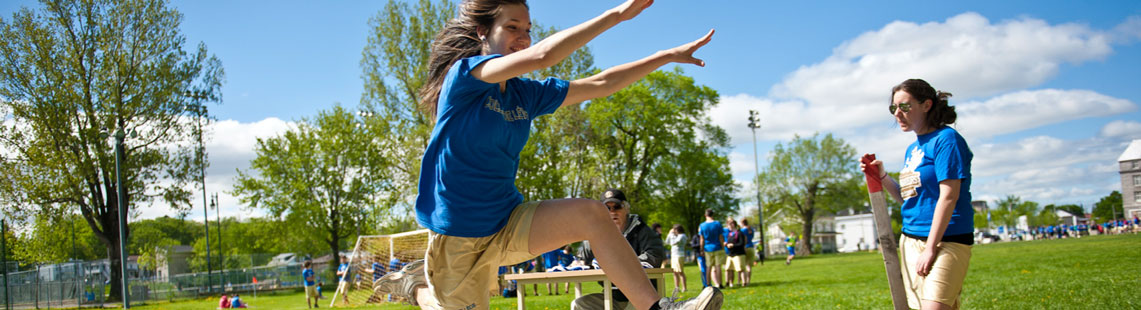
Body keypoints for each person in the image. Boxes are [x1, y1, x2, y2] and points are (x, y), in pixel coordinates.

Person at [371, 1, 722, 310]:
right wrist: (617, 14)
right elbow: (543, 56)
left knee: (591, 213)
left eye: (527, 29)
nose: (523, 38)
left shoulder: (525, 95)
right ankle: (416, 286)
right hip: (458, 238)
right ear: (482, 32)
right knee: (443, 306)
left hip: (507, 221)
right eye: (512, 28)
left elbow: (600, 84)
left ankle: (658, 309)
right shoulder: (465, 77)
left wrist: (667, 57)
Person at [860, 78, 974, 310]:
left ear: (927, 104)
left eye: (905, 106)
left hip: (947, 240)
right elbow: (909, 200)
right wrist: (882, 176)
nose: (898, 113)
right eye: (894, 108)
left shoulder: (946, 140)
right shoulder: (913, 149)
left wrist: (931, 247)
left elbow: (949, 196)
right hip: (911, 240)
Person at [572, 189, 667, 310]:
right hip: (613, 297)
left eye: (617, 207)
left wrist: (619, 265)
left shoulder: (642, 230)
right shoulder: (595, 233)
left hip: (643, 296)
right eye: (607, 208)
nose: (612, 212)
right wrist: (578, 262)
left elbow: (654, 256)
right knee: (579, 304)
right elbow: (581, 260)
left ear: (626, 209)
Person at [698, 209, 725, 288]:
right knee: (718, 266)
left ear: (705, 215)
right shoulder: (717, 224)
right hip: (717, 247)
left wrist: (701, 249)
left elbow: (702, 239)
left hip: (707, 248)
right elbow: (721, 237)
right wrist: (723, 247)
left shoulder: (702, 225)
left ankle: (708, 284)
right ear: (713, 215)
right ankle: (720, 284)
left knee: (708, 266)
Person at [665, 224, 688, 293]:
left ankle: (684, 288)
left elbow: (674, 243)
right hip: (674, 255)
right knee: (674, 272)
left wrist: (671, 234)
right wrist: (669, 234)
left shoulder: (682, 236)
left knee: (680, 271)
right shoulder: (675, 236)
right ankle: (677, 287)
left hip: (679, 255)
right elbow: (667, 242)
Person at [723, 219, 746, 288]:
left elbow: (742, 243)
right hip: (731, 254)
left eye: (731, 224)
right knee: (728, 269)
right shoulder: (729, 234)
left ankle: (744, 283)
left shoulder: (739, 233)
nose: (729, 226)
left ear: (734, 224)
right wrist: (726, 244)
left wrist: (733, 245)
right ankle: (729, 283)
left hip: (738, 254)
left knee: (740, 269)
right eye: (728, 224)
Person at [739, 218, 756, 284]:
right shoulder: (751, 229)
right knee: (749, 266)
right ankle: (748, 281)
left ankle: (744, 281)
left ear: (742, 223)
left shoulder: (742, 230)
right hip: (751, 247)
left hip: (745, 248)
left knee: (744, 266)